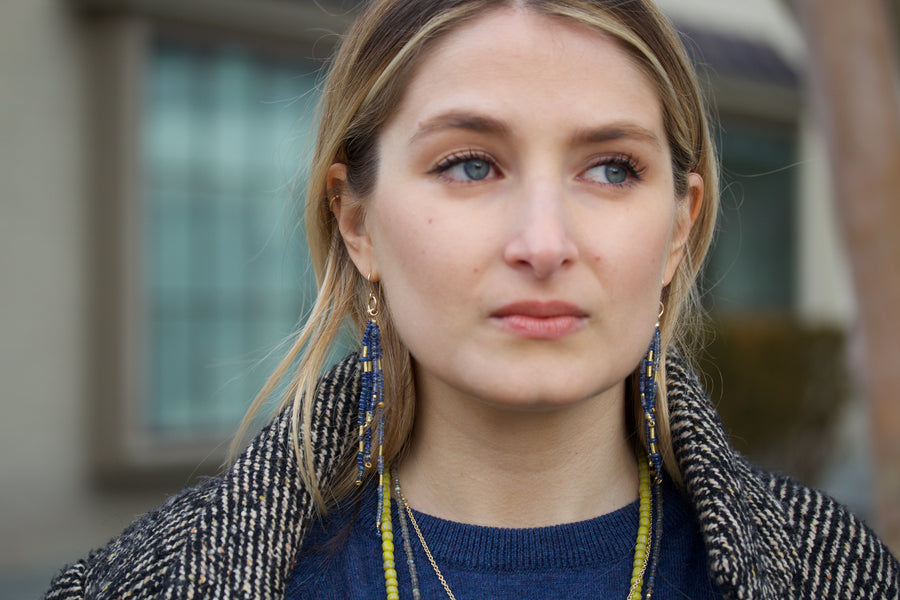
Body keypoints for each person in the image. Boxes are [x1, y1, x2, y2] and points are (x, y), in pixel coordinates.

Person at [46, 0, 899, 599]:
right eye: (470, 164)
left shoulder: (839, 575)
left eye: (612, 168)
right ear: (357, 223)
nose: (543, 242)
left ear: (681, 226)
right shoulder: (138, 584)